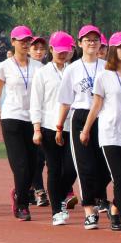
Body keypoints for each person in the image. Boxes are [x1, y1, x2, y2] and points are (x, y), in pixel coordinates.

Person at [75, 32, 121, 235]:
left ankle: (115, 209)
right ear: (113, 50)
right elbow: (96, 104)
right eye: (120, 47)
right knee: (120, 177)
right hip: (111, 133)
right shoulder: (104, 76)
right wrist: (86, 129)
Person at [0, 26, 42, 220]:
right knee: (21, 164)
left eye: (28, 41)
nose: (25, 44)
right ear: (13, 41)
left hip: (33, 119)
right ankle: (22, 205)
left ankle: (18, 192)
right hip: (12, 118)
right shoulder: (4, 66)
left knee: (33, 166)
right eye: (21, 40)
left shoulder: (39, 67)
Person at [56, 25, 111, 230]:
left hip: (103, 118)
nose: (92, 43)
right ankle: (89, 210)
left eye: (95, 40)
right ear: (80, 43)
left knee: (106, 167)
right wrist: (59, 127)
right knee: (85, 166)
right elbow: (65, 101)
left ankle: (97, 197)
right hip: (80, 117)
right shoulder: (72, 69)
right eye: (87, 40)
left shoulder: (107, 67)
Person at [32, 31, 78, 225]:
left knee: (72, 168)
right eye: (58, 50)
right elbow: (36, 102)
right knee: (54, 168)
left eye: (65, 50)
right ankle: (56, 211)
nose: (62, 54)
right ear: (51, 49)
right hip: (49, 126)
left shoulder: (75, 71)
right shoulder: (42, 73)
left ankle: (60, 197)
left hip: (72, 125)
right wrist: (36, 129)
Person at [27, 36, 50, 206]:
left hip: (43, 118)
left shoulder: (47, 69)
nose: (39, 52)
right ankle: (36, 189)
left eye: (42, 49)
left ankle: (35, 189)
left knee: (40, 157)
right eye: (35, 48)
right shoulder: (21, 67)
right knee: (31, 158)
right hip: (23, 118)